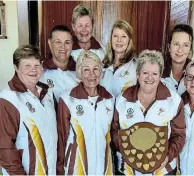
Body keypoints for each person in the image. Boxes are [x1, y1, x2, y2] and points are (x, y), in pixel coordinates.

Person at [111, 50, 186, 175]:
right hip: (128, 170)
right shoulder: (122, 99)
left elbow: (179, 136)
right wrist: (128, 152)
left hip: (162, 170)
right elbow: (115, 131)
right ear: (137, 74)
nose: (149, 78)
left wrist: (166, 157)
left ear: (160, 75)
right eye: (145, 73)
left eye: (154, 73)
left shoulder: (173, 101)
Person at [0, 45, 57, 175]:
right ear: (16, 67)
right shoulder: (8, 99)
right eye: (27, 65)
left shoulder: (48, 93)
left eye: (37, 65)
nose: (33, 70)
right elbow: (4, 148)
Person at [56, 51, 115, 175]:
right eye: (86, 70)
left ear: (101, 73)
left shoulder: (110, 99)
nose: (92, 74)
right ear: (79, 73)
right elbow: (61, 138)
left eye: (95, 69)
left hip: (104, 167)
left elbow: (113, 136)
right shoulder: (67, 99)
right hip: (76, 168)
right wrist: (60, 168)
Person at [40, 25, 78, 101]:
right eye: (58, 42)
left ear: (72, 44)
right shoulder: (39, 70)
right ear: (50, 43)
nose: (63, 47)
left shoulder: (81, 71)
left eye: (67, 42)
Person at [100, 20, 137, 97]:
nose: (119, 40)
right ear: (111, 39)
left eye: (123, 36)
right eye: (115, 36)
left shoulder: (136, 66)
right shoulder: (102, 65)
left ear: (129, 40)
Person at [162, 24, 194, 95]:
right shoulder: (158, 70)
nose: (180, 50)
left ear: (190, 49)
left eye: (185, 45)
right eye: (176, 44)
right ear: (169, 47)